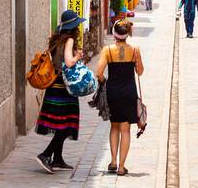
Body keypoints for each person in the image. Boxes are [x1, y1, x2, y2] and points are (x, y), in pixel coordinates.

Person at [35, 9, 86, 173]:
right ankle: (45, 154)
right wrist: (78, 56)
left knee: (59, 124)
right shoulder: (69, 40)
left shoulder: (56, 39)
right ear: (73, 27)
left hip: (54, 86)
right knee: (66, 125)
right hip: (64, 88)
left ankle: (57, 159)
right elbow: (69, 62)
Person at [95, 17, 144, 176]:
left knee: (114, 127)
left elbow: (99, 73)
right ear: (127, 34)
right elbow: (140, 71)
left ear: (114, 34)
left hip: (113, 91)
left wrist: (105, 83)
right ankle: (122, 167)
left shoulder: (108, 50)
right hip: (129, 92)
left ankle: (113, 161)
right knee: (126, 130)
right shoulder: (135, 50)